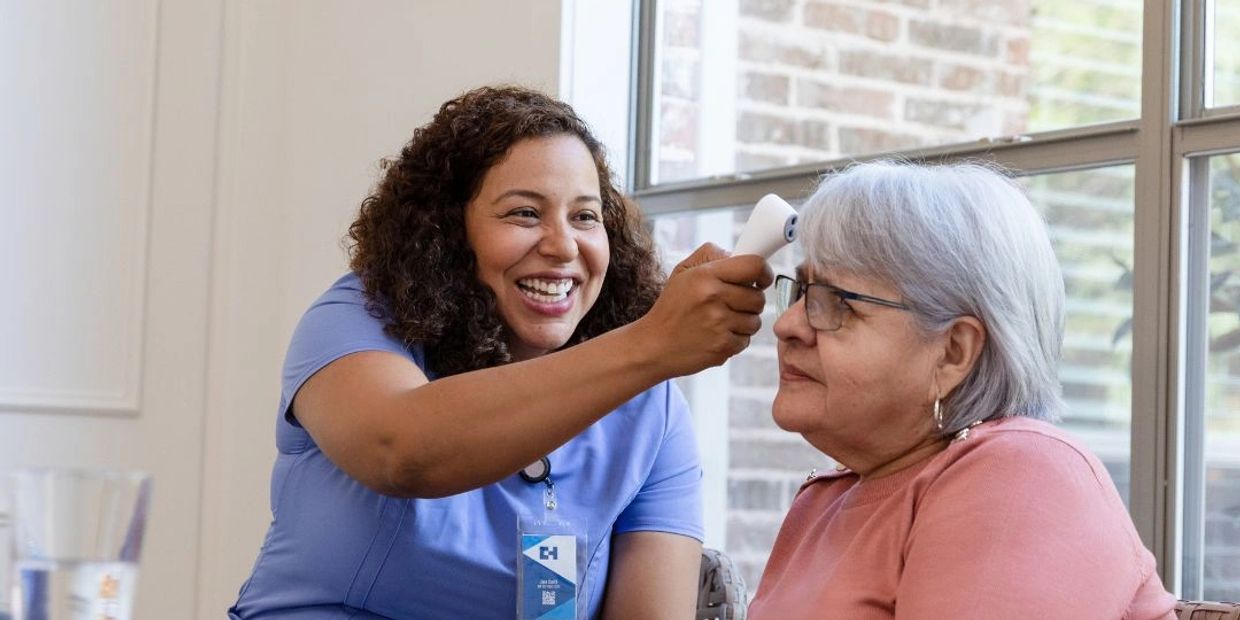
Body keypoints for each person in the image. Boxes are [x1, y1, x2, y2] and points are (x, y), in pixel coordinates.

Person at [228, 85, 772, 619]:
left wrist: (648, 357)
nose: (563, 246)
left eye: (585, 217)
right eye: (524, 214)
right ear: (447, 232)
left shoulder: (650, 412)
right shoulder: (358, 320)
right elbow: (401, 450)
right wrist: (652, 342)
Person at [746, 160, 1176, 619]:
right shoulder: (825, 501)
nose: (787, 325)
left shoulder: (1022, 474)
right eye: (801, 293)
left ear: (953, 352)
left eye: (835, 303)